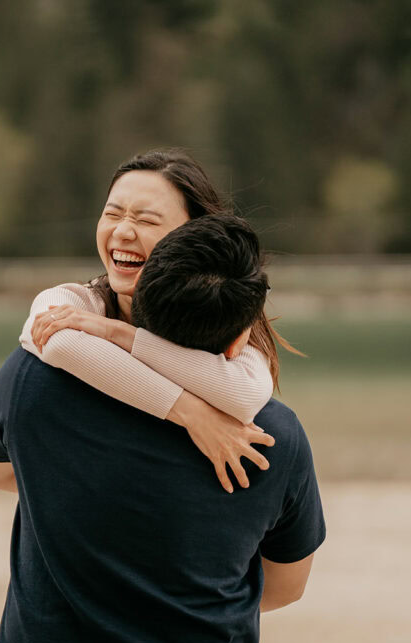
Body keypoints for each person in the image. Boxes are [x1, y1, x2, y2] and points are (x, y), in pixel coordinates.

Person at [0, 214, 326, 643]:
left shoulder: (35, 381)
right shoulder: (272, 437)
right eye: (115, 213)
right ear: (240, 338)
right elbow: (283, 588)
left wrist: (73, 487)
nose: (125, 230)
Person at [18, 148, 299, 493]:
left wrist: (119, 335)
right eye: (112, 214)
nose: (122, 232)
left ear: (193, 235)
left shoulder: (231, 321)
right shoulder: (77, 301)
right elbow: (57, 343)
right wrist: (193, 414)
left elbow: (244, 394)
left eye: (146, 220)